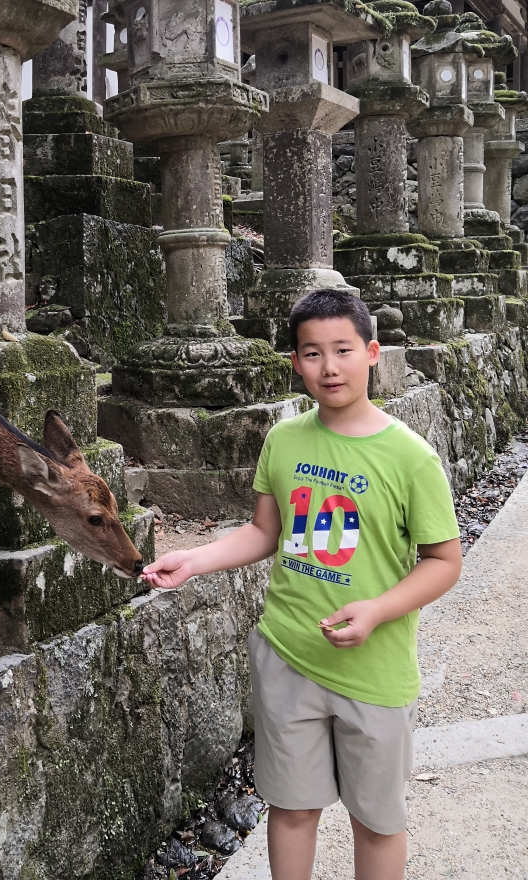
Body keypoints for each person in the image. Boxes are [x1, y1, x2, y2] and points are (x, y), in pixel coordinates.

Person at [142, 289, 462, 880]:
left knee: (378, 820)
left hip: (375, 668)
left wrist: (377, 610)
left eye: (343, 350)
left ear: (372, 353)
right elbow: (265, 532)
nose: (329, 366)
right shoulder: (284, 440)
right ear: (294, 362)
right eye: (312, 353)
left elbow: (444, 560)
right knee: (290, 808)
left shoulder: (410, 457)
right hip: (288, 653)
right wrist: (196, 559)